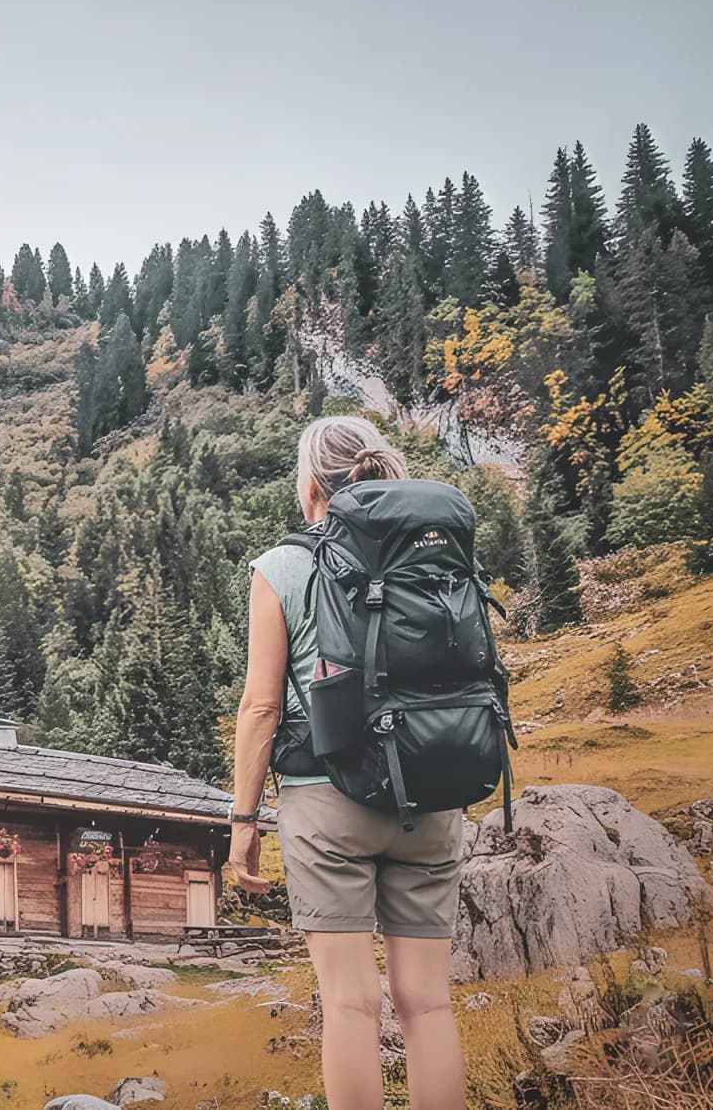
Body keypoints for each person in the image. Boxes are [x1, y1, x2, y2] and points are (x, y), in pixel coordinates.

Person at [227, 415, 467, 1110]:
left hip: (325, 801)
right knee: (429, 1006)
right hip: (431, 794)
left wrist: (245, 821)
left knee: (351, 1005)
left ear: (310, 486)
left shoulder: (282, 567)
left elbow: (260, 709)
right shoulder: (436, 556)